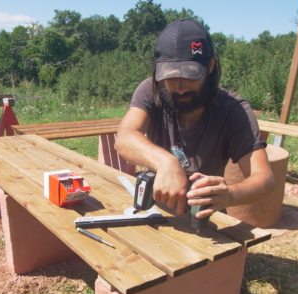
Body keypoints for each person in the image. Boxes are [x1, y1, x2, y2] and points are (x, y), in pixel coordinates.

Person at [115, 19, 275, 219]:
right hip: (156, 210)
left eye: (191, 75)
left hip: (203, 216)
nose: (180, 87)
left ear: (210, 66)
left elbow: (265, 179)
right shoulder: (151, 90)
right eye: (171, 77)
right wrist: (166, 163)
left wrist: (229, 195)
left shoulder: (234, 110)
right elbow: (125, 137)